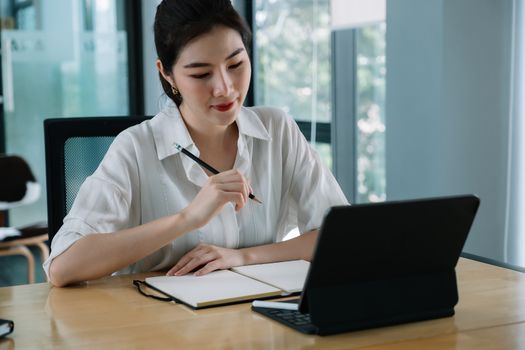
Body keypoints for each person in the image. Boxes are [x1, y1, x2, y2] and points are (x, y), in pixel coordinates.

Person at [44, 0, 348, 287]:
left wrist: (241, 258)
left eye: (236, 64)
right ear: (167, 73)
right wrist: (188, 218)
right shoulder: (136, 147)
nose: (225, 88)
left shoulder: (277, 129)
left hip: (256, 319)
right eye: (202, 74)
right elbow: (63, 266)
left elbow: (338, 235)